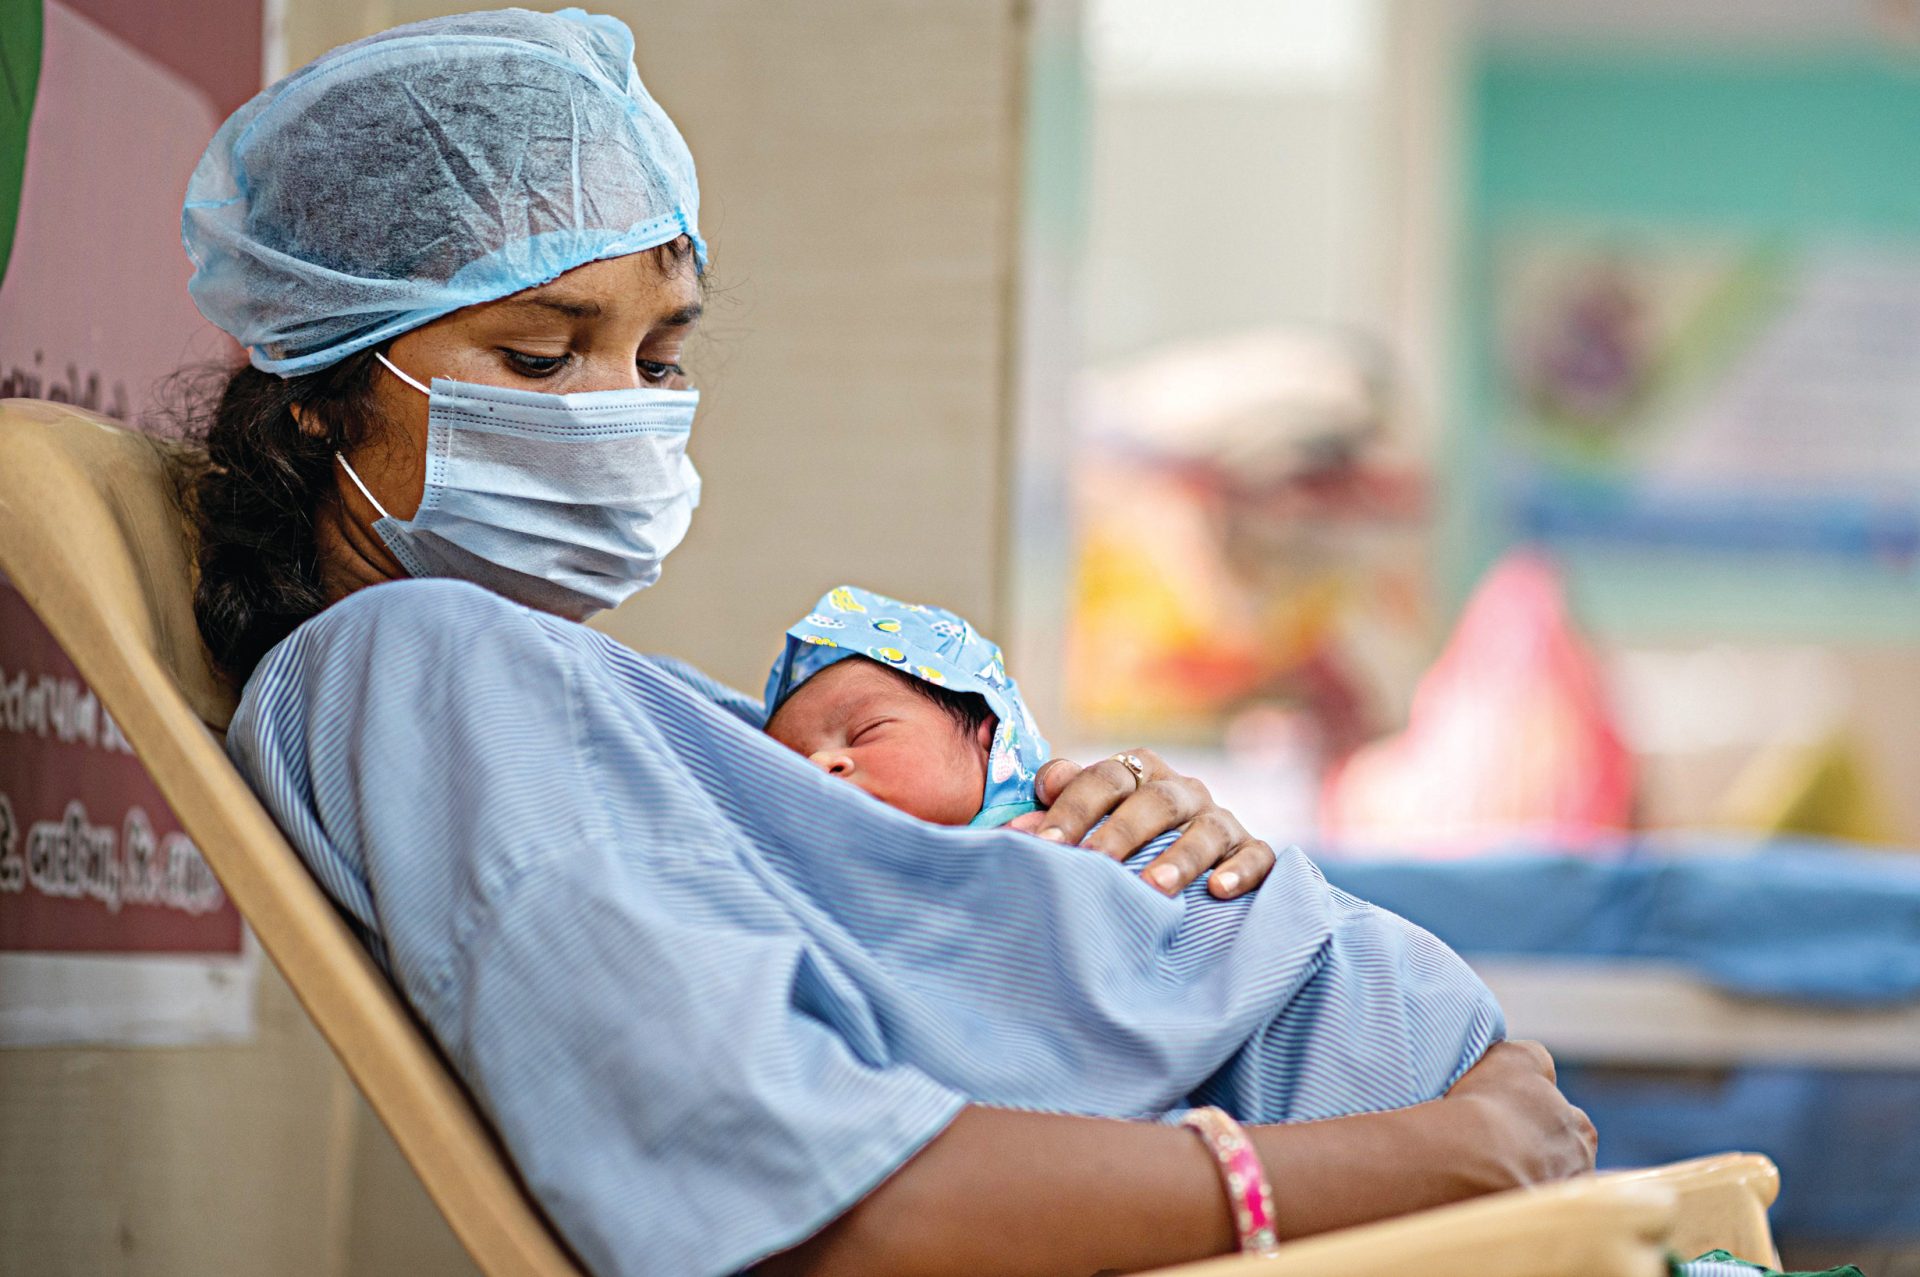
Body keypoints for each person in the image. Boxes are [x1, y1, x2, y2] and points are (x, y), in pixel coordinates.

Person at [177, 10, 1595, 1276]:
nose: (618, 414)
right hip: (1421, 1176)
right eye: (543, 358)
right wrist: (1451, 1149)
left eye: (660, 361)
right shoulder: (418, 672)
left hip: (1450, 1129)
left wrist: (1111, 835)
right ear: (316, 387)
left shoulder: (585, 691)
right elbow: (837, 1207)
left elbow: (923, 965)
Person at [762, 585, 1507, 1127]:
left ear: (990, 735)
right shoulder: (881, 918)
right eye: (793, 763)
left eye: (863, 733)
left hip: (1376, 1003)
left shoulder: (1056, 836)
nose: (825, 766)